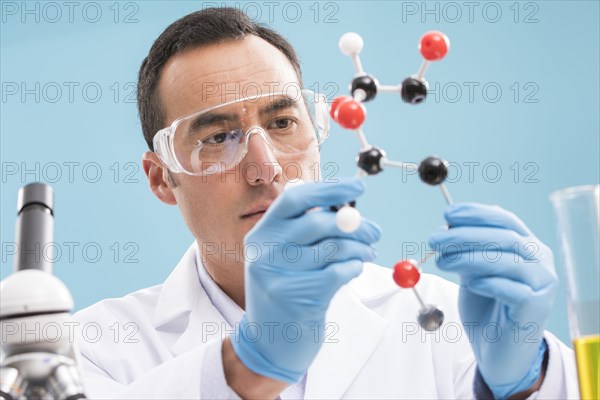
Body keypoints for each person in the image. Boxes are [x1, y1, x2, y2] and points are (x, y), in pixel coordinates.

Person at [73, 7, 578, 399]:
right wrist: (249, 362)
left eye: (282, 123)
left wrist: (527, 382)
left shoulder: (438, 319)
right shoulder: (92, 348)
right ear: (162, 178)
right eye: (218, 137)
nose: (264, 167)